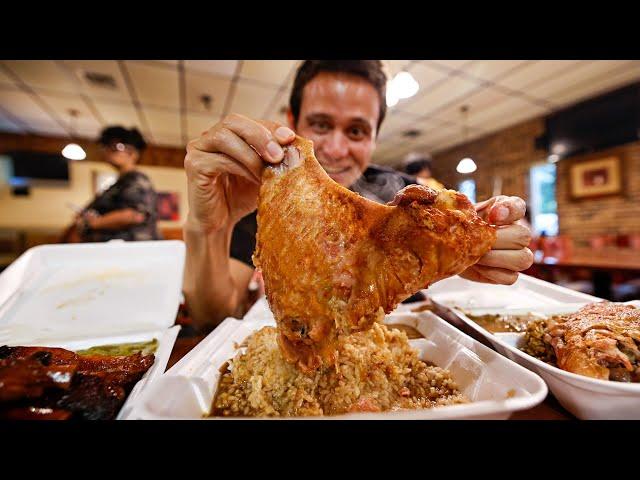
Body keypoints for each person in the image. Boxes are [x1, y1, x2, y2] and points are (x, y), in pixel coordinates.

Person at [183, 60, 534, 331]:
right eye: (320, 124)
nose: (335, 149)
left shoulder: (412, 202)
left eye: (355, 130)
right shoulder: (267, 201)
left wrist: (474, 244)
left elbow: (455, 277)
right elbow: (213, 318)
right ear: (293, 121)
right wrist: (210, 226)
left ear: (375, 137)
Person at [74, 126, 161, 242]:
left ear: (133, 153)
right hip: (116, 250)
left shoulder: (136, 179)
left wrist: (96, 222)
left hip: (131, 251)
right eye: (107, 147)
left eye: (116, 147)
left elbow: (135, 215)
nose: (109, 151)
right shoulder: (119, 184)